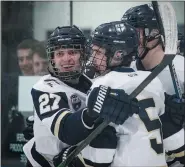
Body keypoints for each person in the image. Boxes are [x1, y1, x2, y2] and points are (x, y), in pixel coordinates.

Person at [23, 25, 136, 167]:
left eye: (72, 52)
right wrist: (92, 112)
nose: (66, 59)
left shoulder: (92, 82)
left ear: (83, 55)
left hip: (73, 157)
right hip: (46, 162)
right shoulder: (45, 87)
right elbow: (66, 131)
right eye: (59, 54)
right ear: (52, 58)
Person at [62, 21, 166, 167]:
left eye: (98, 52)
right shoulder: (153, 81)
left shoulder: (102, 84)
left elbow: (100, 141)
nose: (92, 58)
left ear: (118, 55)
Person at [121, 4, 185, 166]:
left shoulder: (181, 69)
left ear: (154, 34)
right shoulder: (128, 70)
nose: (130, 40)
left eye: (135, 33)